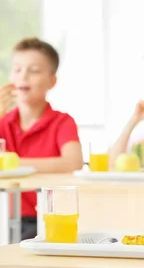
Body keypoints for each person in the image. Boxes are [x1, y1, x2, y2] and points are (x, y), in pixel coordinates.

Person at [0, 37, 83, 239]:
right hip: (4, 217)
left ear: (52, 81)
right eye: (17, 69)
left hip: (46, 219)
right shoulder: (3, 121)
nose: (23, 76)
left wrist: (13, 163)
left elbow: (73, 162)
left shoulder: (62, 122)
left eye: (34, 70)